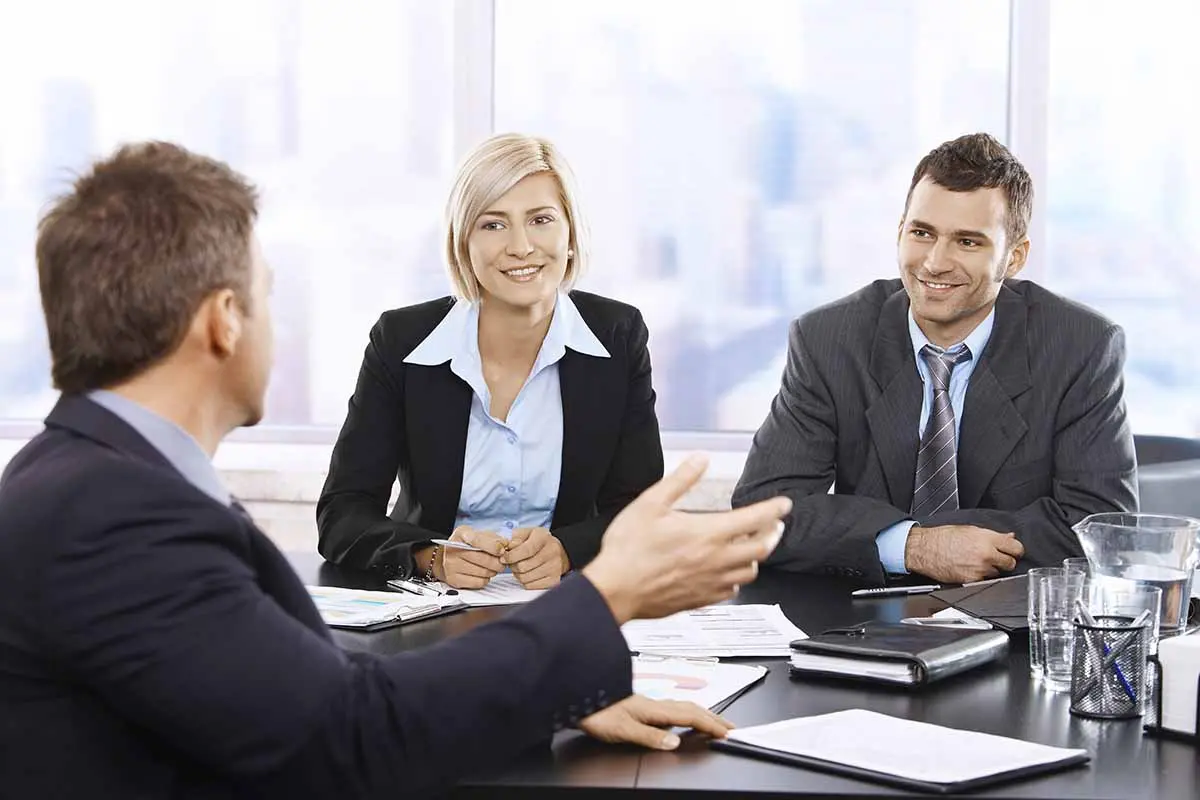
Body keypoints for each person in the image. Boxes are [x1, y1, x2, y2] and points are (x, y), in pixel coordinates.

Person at [0, 142, 791, 798]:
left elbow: (283, 677)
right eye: (269, 297)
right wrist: (607, 593)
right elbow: (349, 736)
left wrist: (554, 694)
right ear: (224, 321)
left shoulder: (92, 482)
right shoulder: (116, 517)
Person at [733, 132, 1136, 586]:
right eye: (922, 233)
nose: (935, 263)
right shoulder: (829, 340)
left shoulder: (1080, 347)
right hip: (860, 621)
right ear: (900, 230)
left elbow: (1104, 531)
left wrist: (962, 543)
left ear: (1014, 258)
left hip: (1011, 621)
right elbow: (760, 512)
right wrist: (914, 546)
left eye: (967, 242)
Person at [317, 133, 663, 590]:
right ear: (463, 243)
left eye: (540, 219)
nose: (520, 246)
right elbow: (343, 513)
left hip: (565, 604)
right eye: (493, 224)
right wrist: (431, 556)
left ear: (571, 234)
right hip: (432, 609)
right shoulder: (401, 342)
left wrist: (566, 550)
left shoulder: (617, 336)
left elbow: (640, 512)